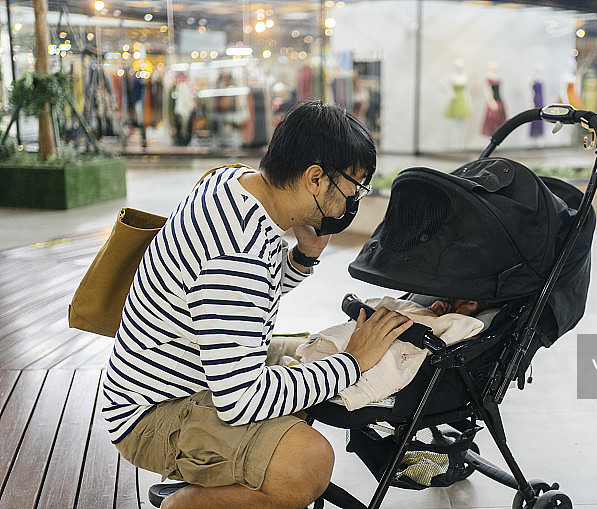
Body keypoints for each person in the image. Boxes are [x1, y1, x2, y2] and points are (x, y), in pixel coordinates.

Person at [100, 100, 413, 509]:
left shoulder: (235, 183)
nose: (353, 200)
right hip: (154, 412)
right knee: (307, 462)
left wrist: (302, 256)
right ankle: (186, 504)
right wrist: (353, 362)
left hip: (194, 371)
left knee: (310, 348)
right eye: (352, 187)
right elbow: (241, 399)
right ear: (315, 179)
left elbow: (247, 292)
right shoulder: (236, 255)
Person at [297, 296, 491, 410]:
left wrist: (453, 317)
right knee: (368, 326)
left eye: (471, 304)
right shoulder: (436, 311)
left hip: (415, 342)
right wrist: (431, 312)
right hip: (405, 325)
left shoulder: (468, 323)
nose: (465, 305)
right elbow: (409, 311)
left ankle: (346, 376)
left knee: (390, 347)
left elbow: (455, 331)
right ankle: (329, 361)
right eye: (462, 301)